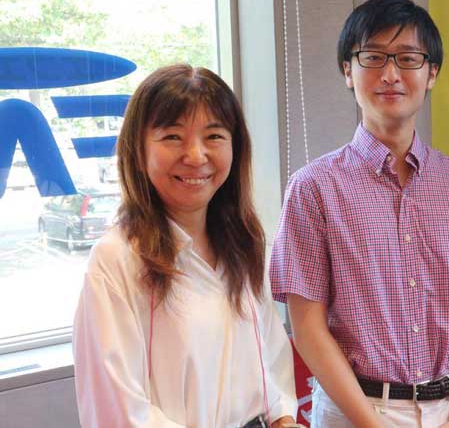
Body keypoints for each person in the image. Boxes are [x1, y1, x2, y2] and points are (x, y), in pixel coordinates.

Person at [270, 0, 449, 427]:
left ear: (432, 74)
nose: (390, 74)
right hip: (355, 412)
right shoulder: (313, 187)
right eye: (373, 57)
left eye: (408, 59)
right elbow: (307, 326)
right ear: (347, 71)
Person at [73, 64, 298, 428]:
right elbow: (118, 411)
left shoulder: (243, 242)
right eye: (173, 137)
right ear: (138, 151)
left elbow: (270, 355)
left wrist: (283, 416)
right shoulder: (117, 258)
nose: (195, 156)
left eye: (214, 136)